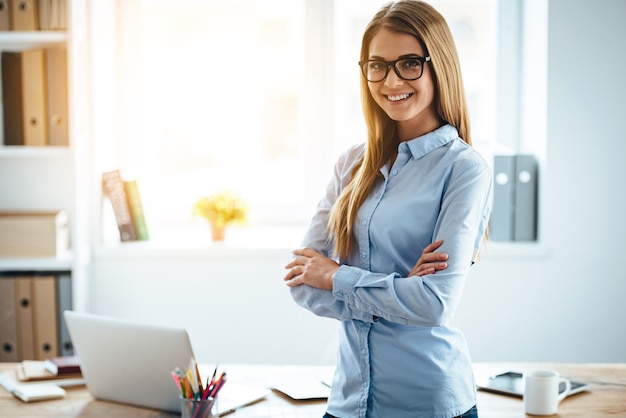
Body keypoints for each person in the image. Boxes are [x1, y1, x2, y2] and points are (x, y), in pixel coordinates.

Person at [283, 1, 492, 417]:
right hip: (347, 402)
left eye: (409, 63)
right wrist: (398, 289)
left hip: (427, 402)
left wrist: (338, 277)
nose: (391, 80)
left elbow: (434, 304)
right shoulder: (351, 165)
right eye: (377, 65)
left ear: (440, 66)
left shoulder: (464, 168)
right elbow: (303, 284)